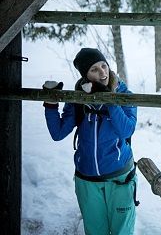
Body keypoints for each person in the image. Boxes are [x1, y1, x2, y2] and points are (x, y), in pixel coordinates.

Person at [43, 48, 138, 235]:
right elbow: (58, 133)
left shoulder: (125, 94)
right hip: (87, 180)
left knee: (122, 232)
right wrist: (51, 103)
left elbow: (126, 129)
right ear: (85, 74)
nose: (102, 72)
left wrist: (108, 98)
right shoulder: (78, 97)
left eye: (104, 66)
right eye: (94, 69)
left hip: (120, 178)